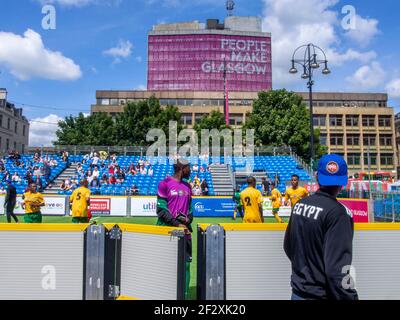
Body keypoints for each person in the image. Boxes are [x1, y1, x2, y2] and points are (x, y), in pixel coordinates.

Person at [284, 154, 359, 300]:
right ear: (343, 182)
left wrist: (306, 272)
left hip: (298, 292)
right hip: (322, 294)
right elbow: (337, 271)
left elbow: (288, 247)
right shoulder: (338, 213)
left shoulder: (300, 205)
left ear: (317, 177)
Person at [156, 161, 193, 299]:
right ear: (182, 169)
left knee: (186, 265)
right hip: (168, 231)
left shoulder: (188, 186)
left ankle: (183, 296)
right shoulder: (164, 184)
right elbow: (161, 210)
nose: (191, 170)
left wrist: (188, 219)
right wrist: (177, 224)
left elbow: (190, 209)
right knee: (165, 264)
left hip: (184, 232)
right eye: (189, 168)